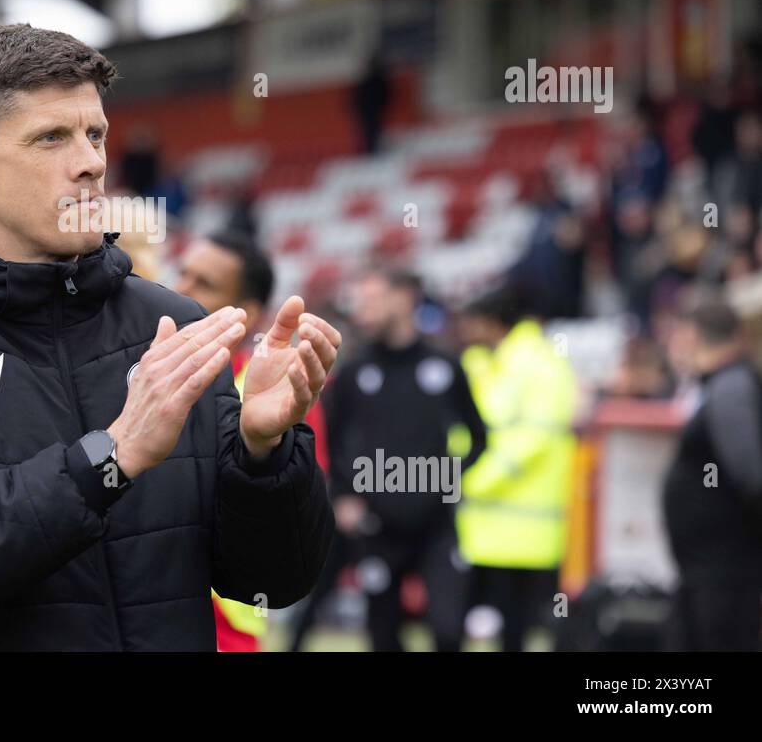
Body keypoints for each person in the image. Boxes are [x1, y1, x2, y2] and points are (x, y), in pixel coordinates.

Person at [0, 23, 337, 651]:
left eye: (95, 134)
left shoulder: (173, 327)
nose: (90, 162)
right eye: (51, 137)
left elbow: (268, 585)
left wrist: (264, 453)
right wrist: (111, 458)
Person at [175, 230, 329, 651]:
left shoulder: (282, 394)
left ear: (247, 312)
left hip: (226, 623)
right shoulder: (144, 371)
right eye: (183, 274)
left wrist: (259, 451)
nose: (180, 289)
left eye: (203, 284)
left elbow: (295, 514)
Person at [324, 267, 486, 652]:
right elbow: (331, 441)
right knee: (383, 636)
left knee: (448, 631)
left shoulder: (444, 366)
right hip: (377, 527)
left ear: (406, 297)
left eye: (372, 300)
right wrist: (344, 495)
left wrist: (447, 479)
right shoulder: (355, 371)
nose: (362, 312)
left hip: (437, 525)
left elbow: (479, 438)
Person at [455, 286, 577, 652]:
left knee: (517, 628)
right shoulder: (481, 363)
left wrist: (471, 480)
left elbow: (533, 439)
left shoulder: (542, 365)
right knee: (460, 623)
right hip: (479, 525)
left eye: (473, 323)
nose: (464, 331)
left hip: (526, 528)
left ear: (493, 323)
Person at [661, 294, 762, 650]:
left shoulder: (730, 387)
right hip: (707, 572)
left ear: (690, 335)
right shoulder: (716, 386)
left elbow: (750, 475)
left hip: (726, 575)